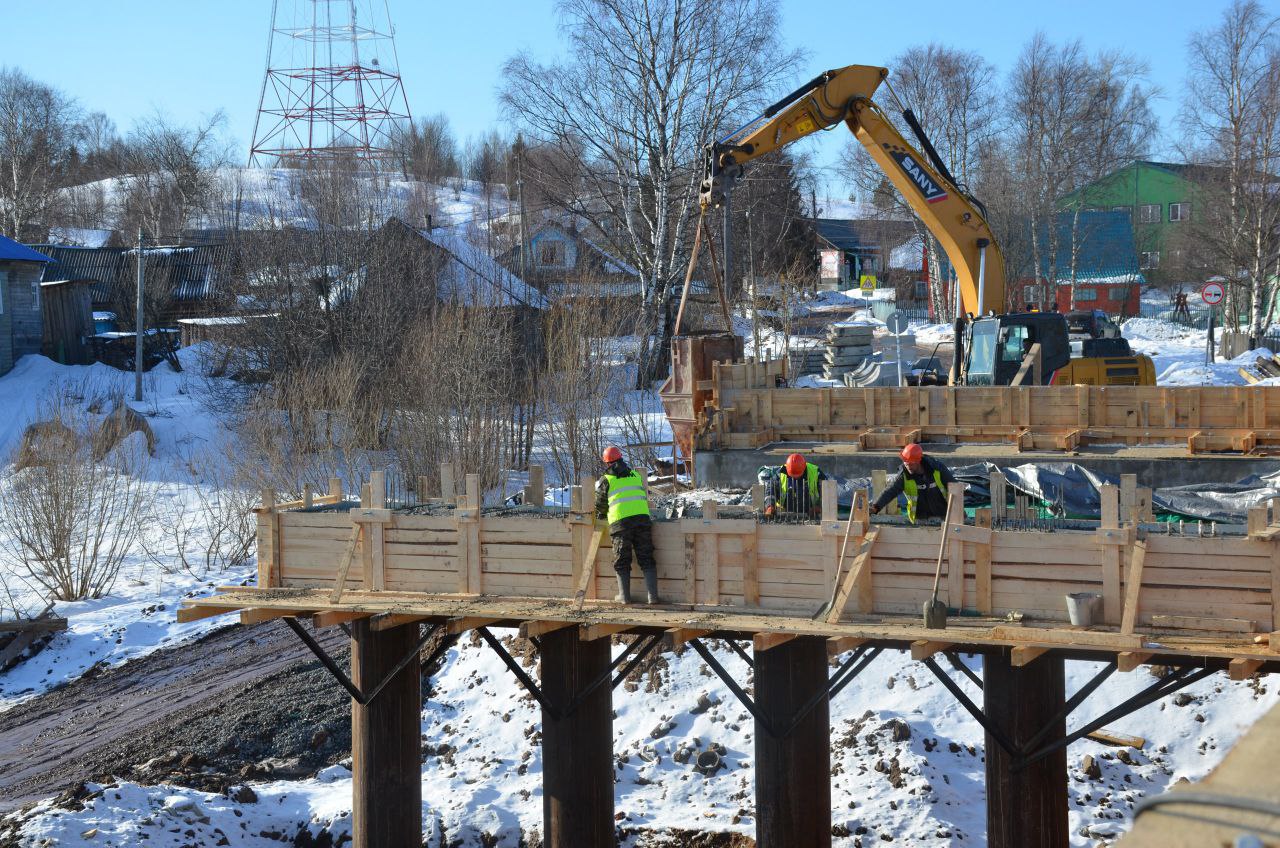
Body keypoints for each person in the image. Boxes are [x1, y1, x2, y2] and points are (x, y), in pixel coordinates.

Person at [594, 445, 660, 604]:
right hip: (642, 520)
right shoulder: (635, 475)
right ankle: (653, 597)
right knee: (646, 557)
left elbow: (600, 504)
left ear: (607, 462)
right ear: (621, 458)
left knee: (622, 559)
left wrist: (601, 515)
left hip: (621, 523)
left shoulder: (606, 479)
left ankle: (624, 597)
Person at [870, 444, 957, 523]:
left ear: (919, 461)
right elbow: (890, 491)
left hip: (943, 516)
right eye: (906, 464)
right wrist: (876, 507)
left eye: (911, 464)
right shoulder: (904, 476)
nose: (908, 467)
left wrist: (959, 510)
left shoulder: (937, 469)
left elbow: (956, 488)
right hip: (919, 518)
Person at [757, 452, 828, 518]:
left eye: (798, 475)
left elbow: (827, 491)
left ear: (804, 468)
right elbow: (770, 491)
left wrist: (819, 506)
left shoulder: (815, 472)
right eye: (793, 475)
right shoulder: (780, 474)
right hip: (784, 512)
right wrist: (770, 506)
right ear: (787, 469)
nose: (795, 477)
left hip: (811, 513)